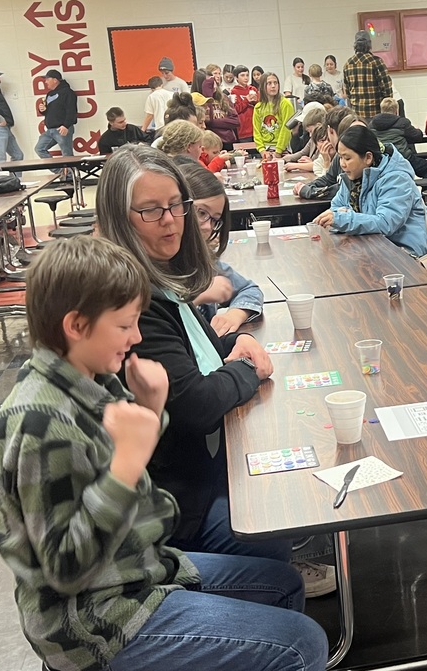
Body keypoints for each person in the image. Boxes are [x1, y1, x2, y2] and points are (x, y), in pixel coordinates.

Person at [0, 235, 328, 671]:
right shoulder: (38, 421)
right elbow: (67, 569)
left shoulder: (93, 378)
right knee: (301, 645)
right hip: (94, 620)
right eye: (125, 325)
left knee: (281, 584)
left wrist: (149, 411)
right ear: (76, 325)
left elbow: (139, 496)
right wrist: (127, 463)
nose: (138, 336)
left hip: (136, 570)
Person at [96, 146, 336, 596]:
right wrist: (247, 369)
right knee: (273, 503)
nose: (170, 220)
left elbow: (190, 350)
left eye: (176, 206)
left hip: (181, 474)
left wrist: (232, 341)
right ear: (118, 217)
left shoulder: (158, 274)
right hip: (175, 501)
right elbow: (196, 405)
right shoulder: (132, 298)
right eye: (150, 210)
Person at [311, 125, 427, 271]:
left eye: (347, 158)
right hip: (381, 254)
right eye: (340, 157)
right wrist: (340, 217)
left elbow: (386, 223)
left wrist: (343, 218)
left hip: (413, 258)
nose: (342, 164)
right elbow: (336, 207)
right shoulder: (352, 179)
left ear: (368, 158)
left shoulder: (397, 178)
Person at [176, 161, 265, 334]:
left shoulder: (203, 259)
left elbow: (249, 289)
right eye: (201, 212)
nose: (208, 227)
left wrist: (235, 314)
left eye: (215, 219)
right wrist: (197, 297)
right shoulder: (151, 269)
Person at [371, 97, 427, 178]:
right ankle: (426, 190)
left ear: (381, 110)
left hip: (382, 163)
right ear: (396, 111)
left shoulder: (371, 125)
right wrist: (417, 130)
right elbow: (417, 137)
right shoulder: (402, 123)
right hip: (403, 159)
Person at [343, 30, 393, 119]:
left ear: (355, 45)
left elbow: (347, 92)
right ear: (369, 45)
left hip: (357, 113)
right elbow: (386, 87)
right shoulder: (376, 62)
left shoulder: (348, 64)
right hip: (376, 112)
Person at [252, 72, 296, 159]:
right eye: (269, 83)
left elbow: (286, 129)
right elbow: (256, 131)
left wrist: (278, 151)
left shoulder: (285, 104)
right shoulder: (258, 107)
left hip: (282, 149)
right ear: (263, 86)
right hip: (265, 149)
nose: (273, 86)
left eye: (275, 83)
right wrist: (262, 150)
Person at [35, 69, 77, 158]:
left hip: (62, 128)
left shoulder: (68, 92)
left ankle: (70, 172)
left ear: (55, 80)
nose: (45, 82)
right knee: (39, 149)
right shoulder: (49, 94)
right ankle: (60, 170)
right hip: (50, 129)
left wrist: (66, 125)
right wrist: (42, 110)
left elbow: (71, 110)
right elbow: (50, 111)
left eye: (47, 79)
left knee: (67, 154)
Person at [200, 77, 239, 149]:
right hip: (212, 140)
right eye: (210, 85)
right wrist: (208, 95)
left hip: (228, 140)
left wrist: (214, 123)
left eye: (214, 83)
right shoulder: (202, 100)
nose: (213, 86)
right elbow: (208, 120)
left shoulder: (224, 98)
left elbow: (236, 121)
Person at [229, 65, 259, 142]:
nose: (246, 78)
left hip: (256, 128)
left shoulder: (253, 89)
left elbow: (261, 106)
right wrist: (246, 100)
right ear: (236, 77)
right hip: (243, 130)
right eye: (242, 75)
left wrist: (256, 101)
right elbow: (236, 110)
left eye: (247, 75)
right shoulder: (234, 91)